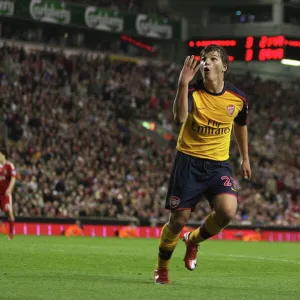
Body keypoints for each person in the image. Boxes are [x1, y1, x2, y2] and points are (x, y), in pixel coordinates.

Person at [154, 45, 251, 284]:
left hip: (219, 164)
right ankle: (162, 269)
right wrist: (182, 84)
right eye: (204, 59)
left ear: (224, 67)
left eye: (213, 58)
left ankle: (193, 240)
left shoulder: (237, 99)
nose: (206, 62)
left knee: (228, 210)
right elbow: (179, 118)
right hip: (189, 161)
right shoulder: (193, 90)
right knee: (178, 220)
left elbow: (240, 125)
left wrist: (245, 157)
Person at [0, 151, 17, 240]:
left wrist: (10, 188)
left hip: (5, 194)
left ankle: (11, 233)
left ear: (3, 155)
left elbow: (14, 177)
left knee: (9, 212)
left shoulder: (9, 165)